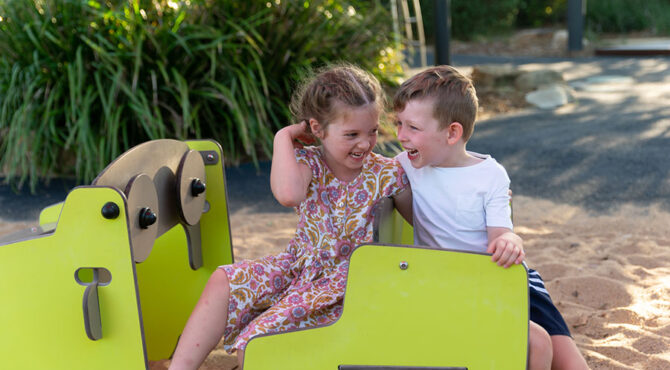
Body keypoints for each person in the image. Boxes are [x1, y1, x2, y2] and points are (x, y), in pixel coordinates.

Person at [168, 64, 410, 370]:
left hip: (344, 282)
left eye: (372, 131)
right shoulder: (310, 162)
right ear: (317, 129)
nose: (364, 143)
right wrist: (283, 137)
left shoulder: (387, 172)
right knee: (224, 280)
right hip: (300, 266)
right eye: (351, 134)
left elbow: (422, 222)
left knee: (257, 345)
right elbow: (287, 194)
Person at [392, 65, 589, 370]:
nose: (401, 136)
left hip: (502, 277)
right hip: (452, 283)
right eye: (398, 124)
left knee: (571, 365)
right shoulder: (404, 166)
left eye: (413, 128)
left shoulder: (490, 175)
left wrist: (510, 240)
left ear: (452, 132)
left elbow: (500, 234)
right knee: (535, 342)